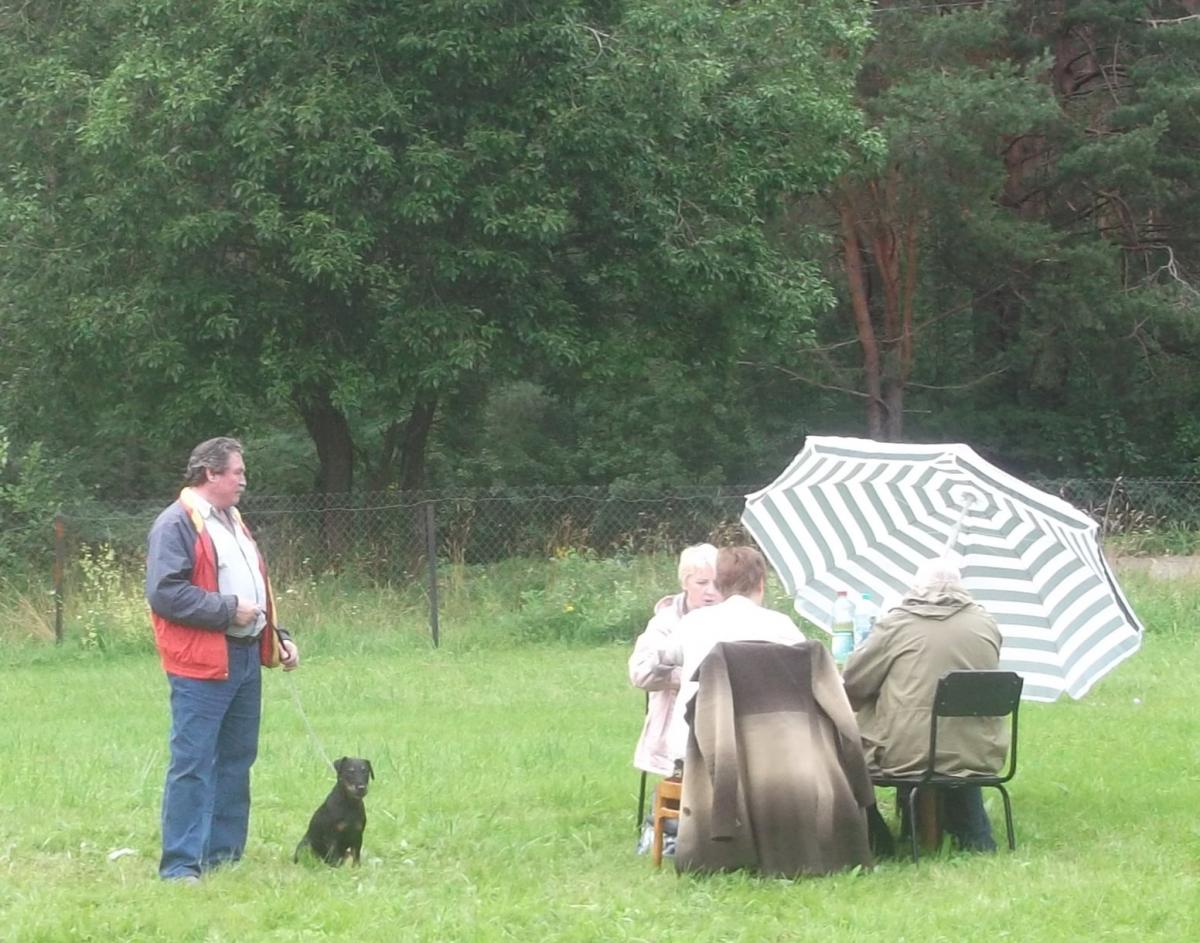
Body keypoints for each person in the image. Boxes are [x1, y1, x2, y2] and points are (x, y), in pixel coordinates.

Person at [146, 436, 300, 882]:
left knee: (236, 759)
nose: (243, 481)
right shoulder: (176, 523)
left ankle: (224, 858)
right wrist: (228, 610)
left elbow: (254, 588)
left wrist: (278, 636)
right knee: (193, 764)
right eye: (237, 472)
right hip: (202, 664)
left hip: (246, 657)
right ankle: (181, 866)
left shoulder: (233, 520)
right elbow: (165, 593)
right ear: (210, 473)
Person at [842, 557, 1006, 852]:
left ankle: (877, 835)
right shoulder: (986, 623)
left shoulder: (898, 624)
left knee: (853, 734)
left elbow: (853, 682)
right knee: (943, 730)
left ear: (916, 588)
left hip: (911, 754)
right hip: (979, 752)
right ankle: (969, 835)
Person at [663, 545, 806, 765]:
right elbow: (806, 666)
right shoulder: (781, 626)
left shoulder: (692, 623)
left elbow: (667, 656)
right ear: (761, 584)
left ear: (719, 584)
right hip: (761, 751)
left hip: (693, 746)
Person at [627, 543, 723, 778]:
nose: (710, 591)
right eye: (702, 583)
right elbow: (640, 672)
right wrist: (692, 676)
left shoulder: (732, 618)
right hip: (673, 730)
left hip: (721, 723)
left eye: (718, 584)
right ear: (685, 583)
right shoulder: (667, 621)